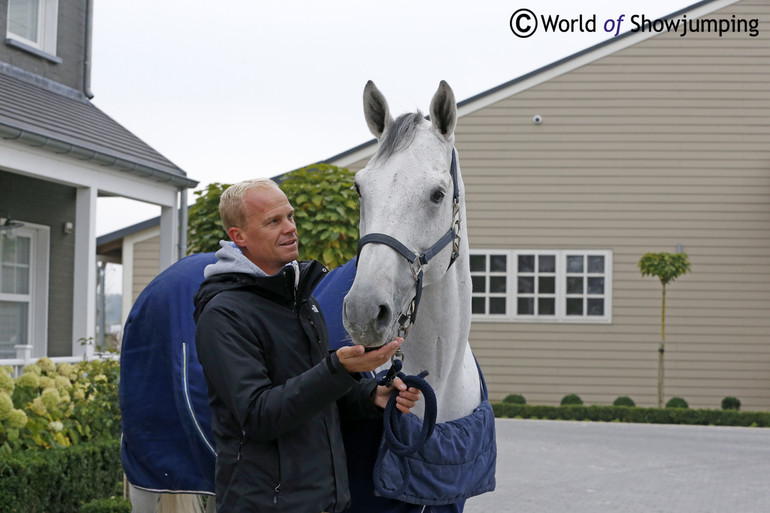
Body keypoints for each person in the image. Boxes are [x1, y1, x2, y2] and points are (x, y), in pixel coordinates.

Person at [193, 178, 420, 513]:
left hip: (324, 503)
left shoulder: (301, 300)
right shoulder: (224, 314)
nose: (290, 229)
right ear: (238, 237)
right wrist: (338, 368)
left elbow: (316, 394)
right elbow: (259, 415)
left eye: (290, 217)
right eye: (273, 221)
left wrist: (371, 396)